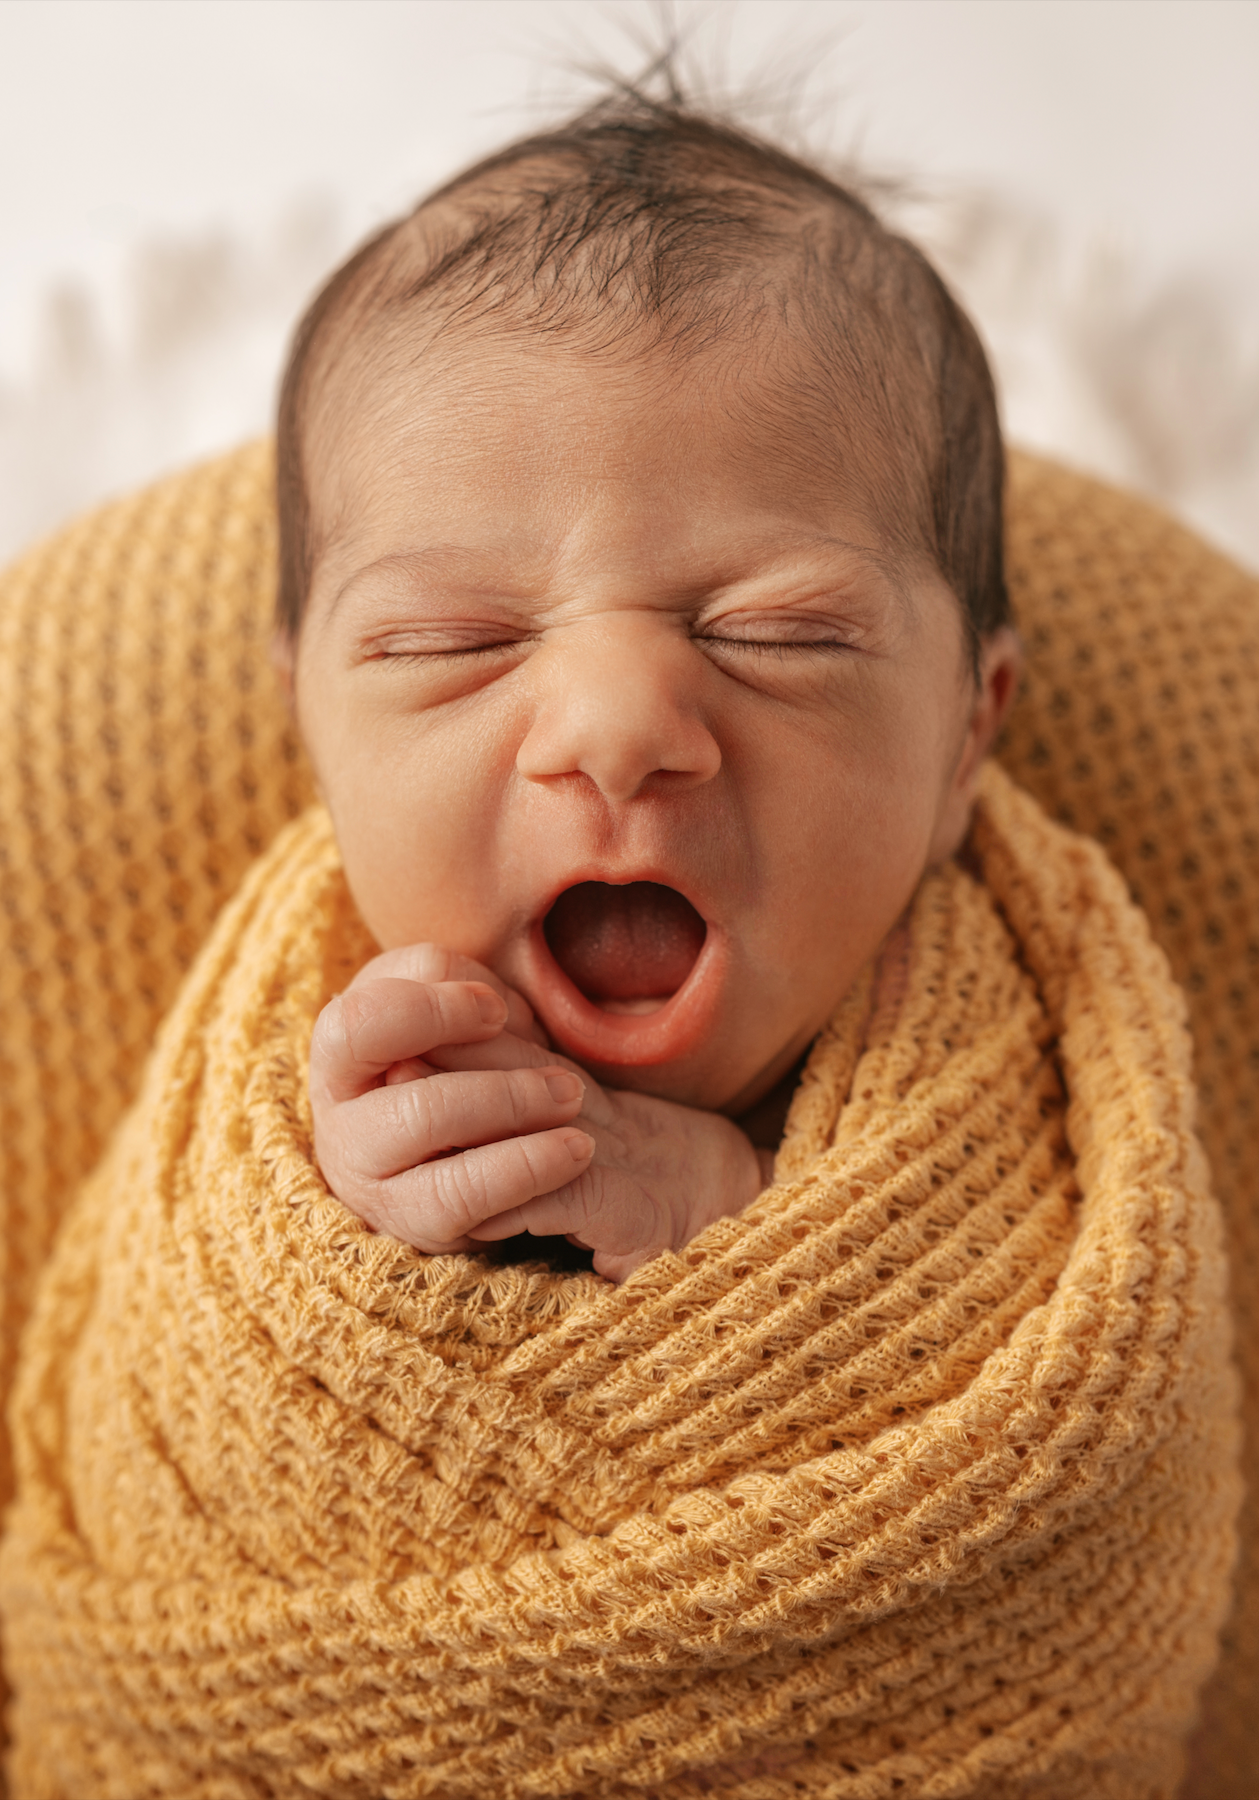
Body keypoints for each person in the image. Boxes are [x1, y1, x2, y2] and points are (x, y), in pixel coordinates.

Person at [279, 90, 1021, 1280]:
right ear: (304, 726)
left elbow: (1107, 1411)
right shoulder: (282, 1044)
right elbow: (139, 1394)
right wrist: (322, 1217)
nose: (617, 730)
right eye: (449, 641)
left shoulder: (1031, 1062)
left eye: (776, 635)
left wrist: (754, 1223)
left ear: (963, 741)